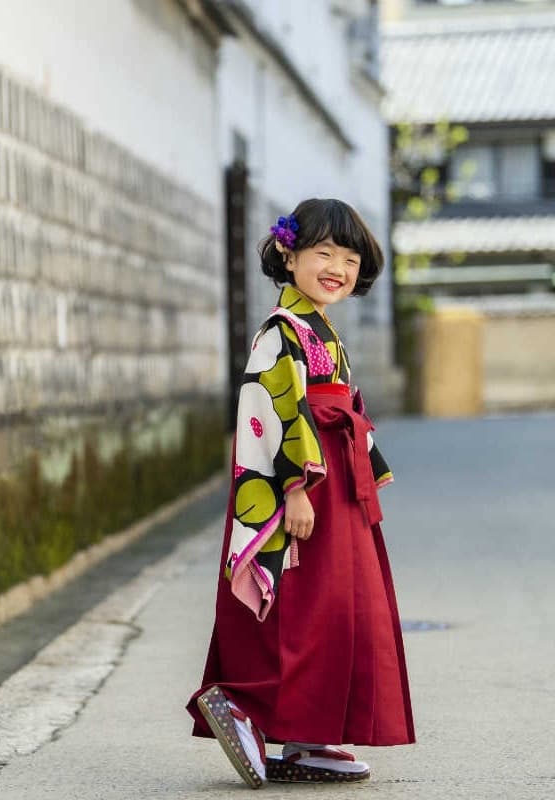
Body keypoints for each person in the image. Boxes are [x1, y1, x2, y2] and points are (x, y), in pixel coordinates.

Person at [186, 198, 415, 788]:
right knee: (302, 604)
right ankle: (246, 705)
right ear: (288, 256)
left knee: (336, 604)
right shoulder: (280, 333)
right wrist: (292, 486)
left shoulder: (320, 329)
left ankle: (309, 733)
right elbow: (272, 408)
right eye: (323, 253)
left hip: (333, 478)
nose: (337, 266)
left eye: (349, 256)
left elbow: (338, 404)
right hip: (305, 484)